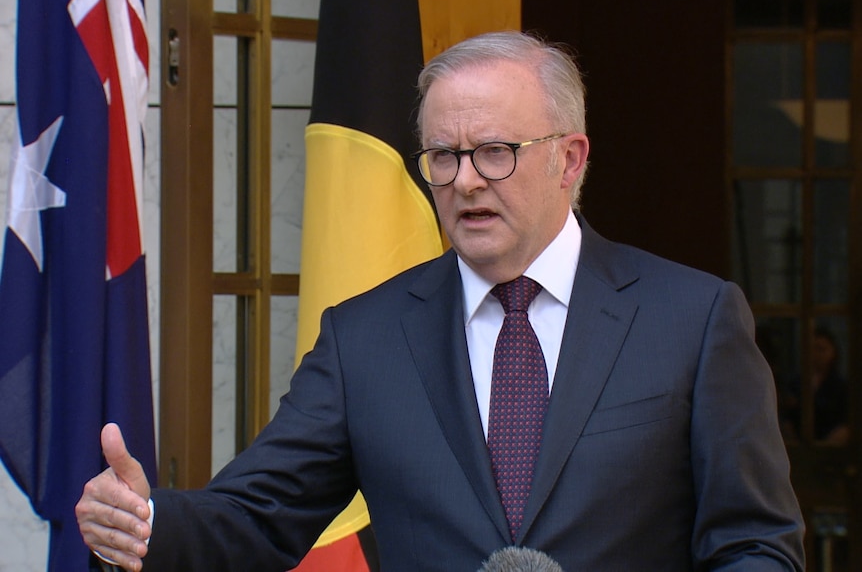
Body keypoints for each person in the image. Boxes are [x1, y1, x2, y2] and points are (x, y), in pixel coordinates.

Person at [75, 31, 805, 571]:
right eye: (443, 157)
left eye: (494, 151)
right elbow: (257, 513)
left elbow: (755, 544)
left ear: (570, 158)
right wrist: (144, 523)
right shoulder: (365, 337)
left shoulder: (693, 319)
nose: (464, 182)